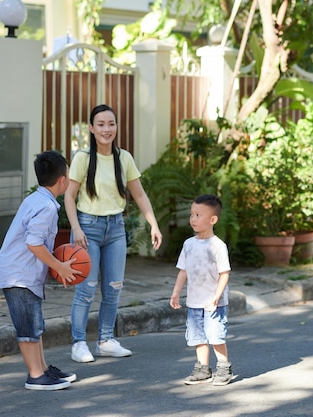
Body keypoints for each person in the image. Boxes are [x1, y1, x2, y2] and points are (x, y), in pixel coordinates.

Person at [65, 104, 162, 363]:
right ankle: (78, 344)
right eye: (101, 124)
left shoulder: (124, 158)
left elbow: (139, 194)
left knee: (113, 288)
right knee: (86, 290)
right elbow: (69, 196)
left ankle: (106, 340)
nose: (107, 129)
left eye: (111, 124)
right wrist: (76, 228)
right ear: (91, 128)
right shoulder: (83, 158)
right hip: (88, 228)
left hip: (116, 229)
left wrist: (153, 223)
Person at [0, 150, 78, 391]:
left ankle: (42, 369)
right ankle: (35, 376)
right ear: (62, 180)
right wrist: (59, 266)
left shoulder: (37, 199)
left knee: (35, 324)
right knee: (28, 327)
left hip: (23, 274)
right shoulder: (47, 207)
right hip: (19, 275)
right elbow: (34, 243)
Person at [170, 194, 233, 386]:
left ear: (213, 220)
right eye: (191, 214)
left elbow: (224, 273)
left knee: (215, 336)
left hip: (214, 302)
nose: (193, 219)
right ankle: (203, 369)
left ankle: (223, 367)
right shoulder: (189, 244)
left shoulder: (218, 246)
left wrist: (216, 296)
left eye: (198, 215)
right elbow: (183, 270)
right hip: (194, 301)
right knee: (198, 337)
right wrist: (176, 292)